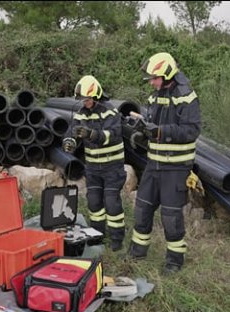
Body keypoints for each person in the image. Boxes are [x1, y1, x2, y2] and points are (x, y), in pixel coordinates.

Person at [125, 51, 201, 273]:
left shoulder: (187, 97)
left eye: (154, 78)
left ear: (167, 74)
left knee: (170, 216)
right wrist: (141, 127)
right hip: (154, 165)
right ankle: (137, 252)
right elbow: (151, 123)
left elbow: (191, 130)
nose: (151, 82)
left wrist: (159, 132)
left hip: (175, 168)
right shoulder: (154, 96)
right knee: (142, 209)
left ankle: (174, 261)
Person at [61, 75, 127, 250]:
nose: (85, 102)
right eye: (83, 99)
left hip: (112, 167)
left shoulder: (110, 111)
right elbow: (72, 131)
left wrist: (91, 134)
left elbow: (112, 135)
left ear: (96, 95)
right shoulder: (81, 113)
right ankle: (97, 237)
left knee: (112, 203)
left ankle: (116, 241)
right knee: (94, 203)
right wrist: (69, 141)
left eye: (88, 99)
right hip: (93, 169)